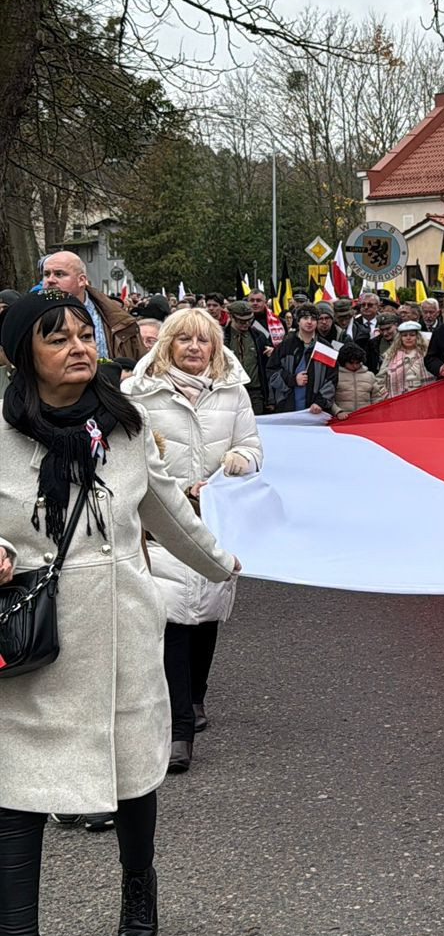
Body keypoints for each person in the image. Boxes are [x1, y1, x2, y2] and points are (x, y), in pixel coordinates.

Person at [0, 290, 238, 936]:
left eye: (84, 334)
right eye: (57, 338)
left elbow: (166, 510)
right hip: (35, 647)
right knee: (15, 806)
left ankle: (139, 882)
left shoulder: (126, 427)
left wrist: (222, 563)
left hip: (123, 633)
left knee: (134, 773)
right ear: (21, 355)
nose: (78, 347)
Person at [125, 307, 261, 770]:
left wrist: (239, 460)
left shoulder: (233, 391)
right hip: (161, 525)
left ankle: (196, 697)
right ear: (168, 344)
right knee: (172, 624)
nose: (195, 348)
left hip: (214, 522)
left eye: (204, 340)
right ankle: (177, 729)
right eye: (184, 339)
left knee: (204, 617)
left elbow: (252, 446)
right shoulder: (137, 392)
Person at [37, 250, 143, 368]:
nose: (50, 280)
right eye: (46, 274)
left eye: (59, 274)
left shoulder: (119, 319)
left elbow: (142, 367)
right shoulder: (33, 316)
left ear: (81, 280)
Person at [269, 304, 336, 414]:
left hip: (316, 410)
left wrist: (320, 402)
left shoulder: (326, 348)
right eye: (305, 318)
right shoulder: (285, 346)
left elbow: (332, 379)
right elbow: (272, 372)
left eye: (313, 319)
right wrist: (293, 379)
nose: (309, 322)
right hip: (288, 408)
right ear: (298, 321)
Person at [224, 297, 272, 413]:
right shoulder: (221, 337)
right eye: (241, 321)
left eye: (249, 320)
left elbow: (268, 368)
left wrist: (272, 353)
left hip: (255, 392)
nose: (246, 324)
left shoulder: (259, 336)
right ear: (231, 317)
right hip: (230, 391)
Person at [376, 321, 430, 399]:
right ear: (400, 338)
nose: (408, 338)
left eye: (412, 335)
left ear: (418, 337)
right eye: (404, 335)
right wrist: (386, 396)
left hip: (423, 397)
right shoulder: (391, 356)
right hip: (397, 399)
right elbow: (380, 379)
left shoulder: (426, 354)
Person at [332, 341, 379, 415]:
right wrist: (338, 412)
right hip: (343, 418)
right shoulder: (335, 375)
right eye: (351, 363)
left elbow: (376, 397)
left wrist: (375, 412)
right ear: (343, 361)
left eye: (357, 362)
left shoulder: (370, 376)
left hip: (366, 417)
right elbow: (329, 398)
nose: (355, 366)